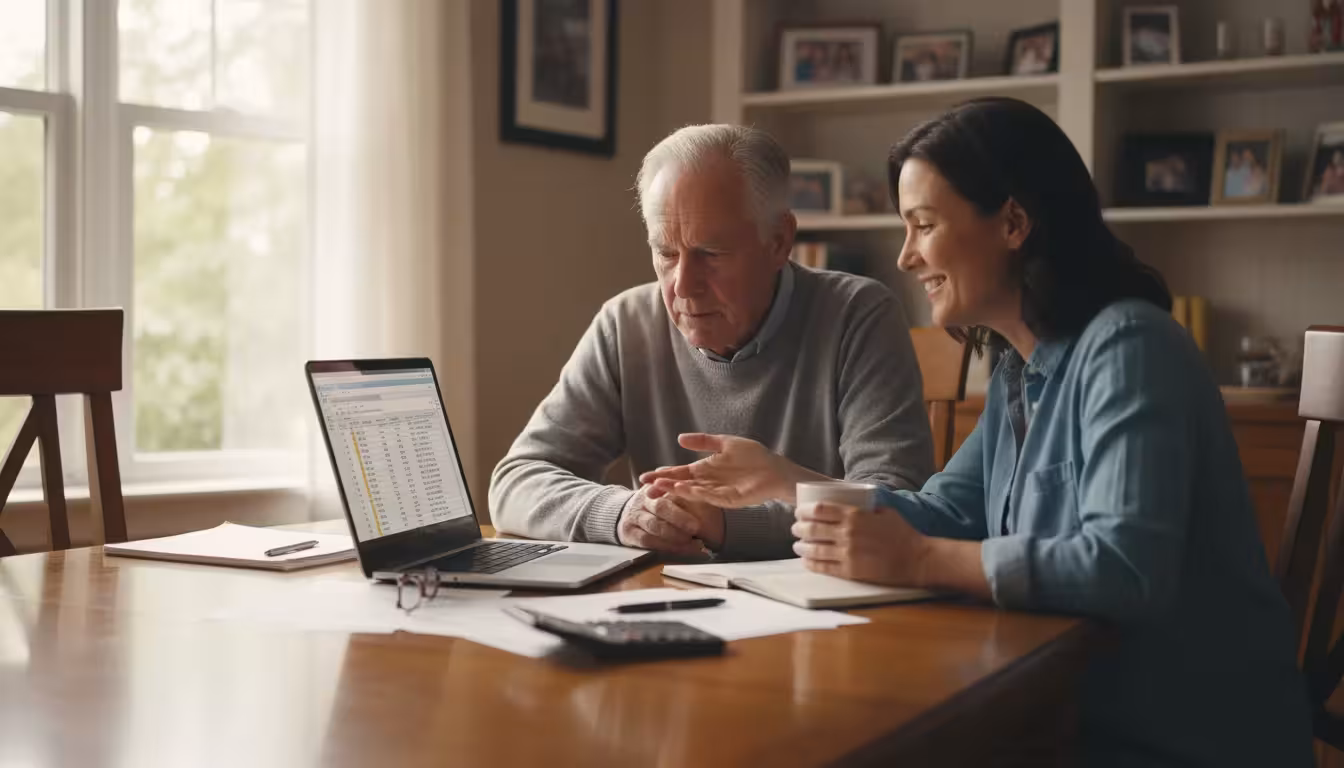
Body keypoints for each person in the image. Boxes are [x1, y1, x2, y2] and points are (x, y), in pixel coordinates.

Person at [641, 99, 1313, 766]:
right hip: (1070, 717)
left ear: (1014, 221)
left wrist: (919, 560)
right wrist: (788, 481)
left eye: (924, 225)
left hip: (1179, 741)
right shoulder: (1021, 370)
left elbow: (1125, 568)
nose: (905, 258)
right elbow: (945, 512)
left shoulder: (1131, 347)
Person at [488, 124, 934, 559]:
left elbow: (895, 503)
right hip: (661, 605)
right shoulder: (625, 323)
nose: (683, 285)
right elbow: (516, 481)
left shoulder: (858, 314)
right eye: (666, 253)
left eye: (711, 254)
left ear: (779, 242)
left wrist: (724, 525)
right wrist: (624, 513)